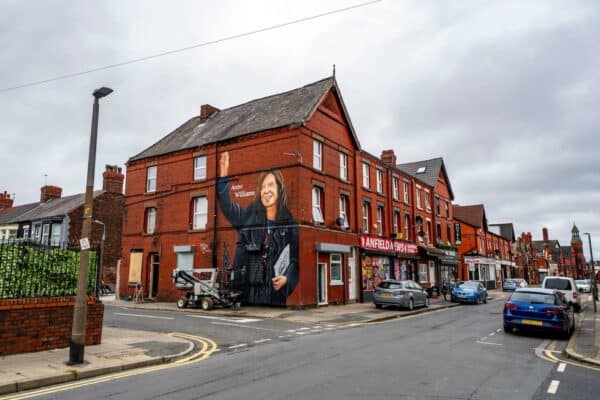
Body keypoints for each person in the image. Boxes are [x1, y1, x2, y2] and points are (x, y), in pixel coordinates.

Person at [217, 151, 298, 306]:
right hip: (247, 296)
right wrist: (224, 174)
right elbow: (227, 207)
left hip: (275, 299)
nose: (266, 190)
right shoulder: (248, 218)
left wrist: (287, 278)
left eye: (270, 185)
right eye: (263, 186)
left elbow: (295, 261)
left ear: (280, 189)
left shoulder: (291, 225)